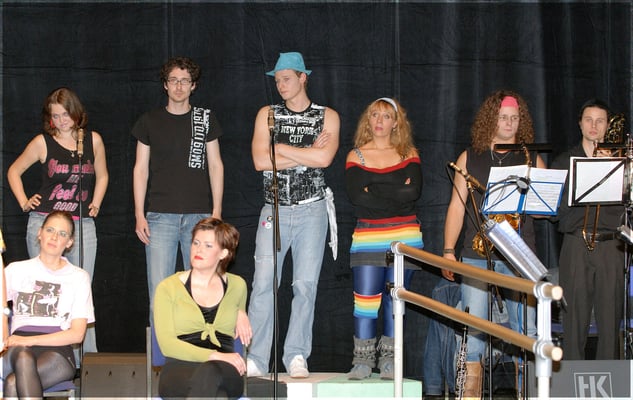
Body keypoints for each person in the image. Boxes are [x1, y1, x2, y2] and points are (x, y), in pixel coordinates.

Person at [441, 90, 545, 398]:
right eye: (503, 118)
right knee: (473, 328)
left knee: (527, 330)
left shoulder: (530, 158)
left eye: (515, 118)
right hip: (476, 254)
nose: (510, 123)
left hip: (520, 256)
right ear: (491, 119)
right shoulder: (469, 157)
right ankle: (470, 394)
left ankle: (530, 392)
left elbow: (543, 211)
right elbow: (456, 207)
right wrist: (448, 250)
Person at [246, 52, 340, 379]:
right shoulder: (267, 114)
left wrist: (280, 150)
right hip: (273, 209)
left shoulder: (327, 116)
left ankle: (296, 354)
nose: (281, 85)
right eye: (277, 80)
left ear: (303, 78)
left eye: (286, 79)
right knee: (262, 284)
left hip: (312, 211)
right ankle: (256, 357)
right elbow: (260, 161)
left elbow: (324, 160)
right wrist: (308, 152)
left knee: (305, 285)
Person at [7, 87, 108, 354]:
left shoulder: (92, 141)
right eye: (55, 116)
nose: (61, 121)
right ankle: (43, 355)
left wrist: (96, 202)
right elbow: (14, 171)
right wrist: (24, 201)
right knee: (45, 291)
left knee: (81, 291)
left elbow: (103, 175)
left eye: (65, 114)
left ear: (76, 112)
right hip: (46, 221)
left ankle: (86, 362)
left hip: (81, 223)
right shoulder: (43, 142)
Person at [132, 56, 224, 310]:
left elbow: (216, 165)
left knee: (201, 289)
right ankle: (161, 339)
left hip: (199, 217)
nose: (179, 86)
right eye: (173, 80)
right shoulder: (149, 120)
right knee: (160, 291)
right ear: (165, 84)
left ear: (193, 85)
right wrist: (139, 214)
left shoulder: (205, 118)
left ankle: (197, 338)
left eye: (185, 81)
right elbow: (140, 169)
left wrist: (216, 212)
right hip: (160, 217)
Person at [344, 97, 423, 380]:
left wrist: (374, 187)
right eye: (374, 114)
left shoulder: (408, 153)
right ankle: (362, 361)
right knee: (365, 301)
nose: (379, 120)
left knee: (395, 302)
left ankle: (390, 361)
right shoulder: (356, 156)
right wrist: (395, 191)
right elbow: (358, 197)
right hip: (368, 237)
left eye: (386, 116)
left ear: (396, 123)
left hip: (405, 239)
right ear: (368, 120)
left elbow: (412, 193)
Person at [550, 98, 625, 360]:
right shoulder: (564, 162)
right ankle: (571, 379)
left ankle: (610, 381)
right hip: (576, 244)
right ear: (580, 124)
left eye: (600, 121)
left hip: (611, 246)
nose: (594, 126)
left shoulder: (622, 162)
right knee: (573, 320)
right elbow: (555, 213)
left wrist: (616, 169)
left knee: (610, 320)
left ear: (608, 126)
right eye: (589, 120)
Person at [153, 217, 251, 399]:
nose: (199, 249)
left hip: (225, 368)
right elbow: (167, 346)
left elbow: (237, 320)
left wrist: (240, 311)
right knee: (215, 392)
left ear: (223, 253)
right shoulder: (167, 288)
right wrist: (215, 355)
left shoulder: (238, 286)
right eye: (196, 243)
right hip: (179, 365)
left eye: (208, 245)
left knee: (209, 374)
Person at [2, 211, 95, 398]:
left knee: (13, 383)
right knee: (22, 357)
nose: (54, 237)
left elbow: (77, 335)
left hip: (57, 351)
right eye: (50, 230)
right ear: (40, 233)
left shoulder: (79, 277)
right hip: (17, 347)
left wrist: (29, 341)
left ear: (69, 242)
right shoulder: (15, 270)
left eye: (62, 234)